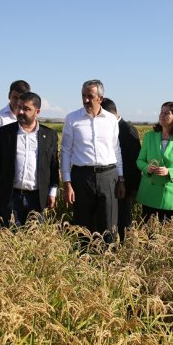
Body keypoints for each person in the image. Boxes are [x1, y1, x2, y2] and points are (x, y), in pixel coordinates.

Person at [61, 79, 125, 243]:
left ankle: (108, 260)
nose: (85, 100)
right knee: (82, 224)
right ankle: (83, 262)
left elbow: (116, 149)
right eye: (83, 95)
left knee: (109, 223)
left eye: (90, 96)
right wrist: (67, 183)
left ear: (100, 99)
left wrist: (121, 178)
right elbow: (66, 151)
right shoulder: (72, 119)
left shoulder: (111, 119)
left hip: (108, 176)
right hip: (82, 177)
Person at [0, 92, 59, 227]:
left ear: (37, 111)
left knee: (34, 241)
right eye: (19, 107)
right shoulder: (6, 133)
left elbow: (53, 166)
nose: (20, 112)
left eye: (26, 109)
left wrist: (53, 192)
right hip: (10, 196)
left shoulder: (49, 135)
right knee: (7, 238)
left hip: (36, 198)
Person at [136, 102, 173, 222]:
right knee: (147, 234)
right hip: (149, 192)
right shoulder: (149, 136)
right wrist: (147, 168)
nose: (162, 115)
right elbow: (140, 161)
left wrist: (169, 171)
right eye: (161, 111)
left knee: (167, 237)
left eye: (167, 113)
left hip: (171, 196)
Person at [100, 98, 141, 241]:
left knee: (124, 218)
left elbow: (134, 160)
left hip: (125, 183)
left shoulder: (127, 129)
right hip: (110, 181)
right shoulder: (108, 127)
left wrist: (131, 186)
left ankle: (125, 247)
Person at [0, 80, 31, 168]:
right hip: (5, 169)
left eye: (21, 98)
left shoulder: (30, 119)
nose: (18, 102)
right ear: (9, 96)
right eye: (15, 98)